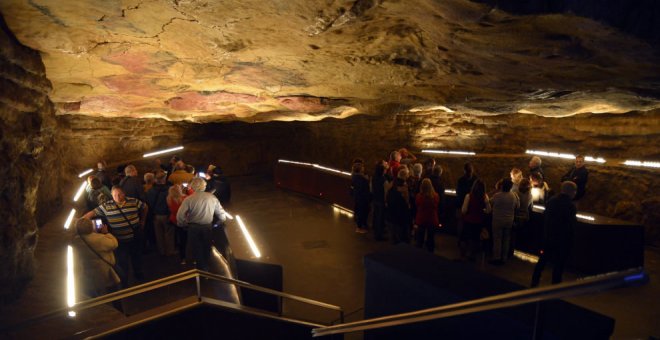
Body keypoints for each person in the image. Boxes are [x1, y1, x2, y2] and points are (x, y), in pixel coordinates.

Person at [84, 186, 148, 283]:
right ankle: (125, 281)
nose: (117, 197)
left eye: (119, 194)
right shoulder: (106, 206)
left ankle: (139, 275)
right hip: (119, 241)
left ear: (124, 193)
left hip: (134, 238)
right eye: (114, 195)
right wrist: (80, 221)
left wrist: (143, 220)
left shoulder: (133, 201)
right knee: (122, 262)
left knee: (137, 258)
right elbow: (92, 213)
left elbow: (145, 207)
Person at [531, 181, 578, 287]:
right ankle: (555, 284)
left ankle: (535, 280)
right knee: (559, 263)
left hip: (549, 235)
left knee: (543, 260)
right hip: (562, 239)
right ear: (572, 192)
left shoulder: (552, 201)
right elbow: (571, 225)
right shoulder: (570, 206)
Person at [176, 177, 228, 271]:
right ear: (204, 186)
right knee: (206, 247)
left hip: (193, 228)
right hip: (207, 227)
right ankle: (206, 266)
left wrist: (183, 224)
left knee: (196, 248)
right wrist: (221, 220)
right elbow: (221, 212)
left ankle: (201, 268)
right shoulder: (211, 197)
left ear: (192, 187)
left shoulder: (188, 199)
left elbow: (180, 215)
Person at [71, 218, 120, 296]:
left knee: (96, 291)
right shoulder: (99, 239)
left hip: (90, 271)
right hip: (105, 269)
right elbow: (114, 244)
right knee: (112, 291)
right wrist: (106, 233)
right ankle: (117, 306)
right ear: (91, 227)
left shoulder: (76, 242)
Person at [489, 178, 519, 264]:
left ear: (502, 186)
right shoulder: (514, 196)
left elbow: (490, 203)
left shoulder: (497, 196)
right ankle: (504, 258)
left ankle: (497, 257)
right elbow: (517, 206)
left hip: (498, 220)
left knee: (497, 239)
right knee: (506, 239)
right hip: (509, 220)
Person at [460, 179, 491, 260]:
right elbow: (488, 210)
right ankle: (472, 255)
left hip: (468, 220)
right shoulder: (485, 196)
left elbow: (464, 210)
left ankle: (465, 254)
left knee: (466, 237)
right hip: (479, 221)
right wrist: (482, 210)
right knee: (475, 239)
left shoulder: (468, 196)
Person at [147, 170, 174, 256]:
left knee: (159, 235)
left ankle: (162, 251)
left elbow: (149, 204)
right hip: (166, 215)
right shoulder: (169, 190)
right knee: (169, 234)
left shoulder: (150, 191)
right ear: (165, 179)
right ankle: (169, 251)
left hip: (156, 216)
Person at [386, 167, 411, 244]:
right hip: (400, 209)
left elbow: (387, 192)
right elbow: (406, 199)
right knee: (400, 226)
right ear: (405, 176)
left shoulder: (392, 182)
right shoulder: (403, 186)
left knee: (393, 225)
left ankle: (394, 240)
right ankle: (400, 241)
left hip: (391, 207)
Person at [415, 178, 440, 252]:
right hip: (432, 219)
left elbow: (417, 205)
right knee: (431, 239)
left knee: (420, 239)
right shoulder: (436, 196)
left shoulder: (419, 196)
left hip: (421, 219)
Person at [167, 184, 188, 264]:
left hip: (174, 220)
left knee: (180, 237)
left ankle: (182, 258)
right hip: (184, 221)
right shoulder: (184, 198)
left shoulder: (169, 199)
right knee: (185, 239)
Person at [351, 162, 371, 234]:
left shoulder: (354, 176)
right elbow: (363, 188)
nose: (363, 168)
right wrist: (366, 180)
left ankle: (362, 224)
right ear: (359, 169)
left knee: (362, 211)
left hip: (358, 197)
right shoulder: (360, 178)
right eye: (362, 167)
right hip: (362, 197)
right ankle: (359, 228)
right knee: (361, 212)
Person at [371, 161, 388, 241]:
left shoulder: (373, 177)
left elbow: (371, 188)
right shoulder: (384, 180)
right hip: (381, 200)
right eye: (384, 170)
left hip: (375, 199)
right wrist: (386, 201)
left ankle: (374, 230)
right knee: (380, 218)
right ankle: (379, 235)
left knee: (375, 215)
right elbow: (385, 192)